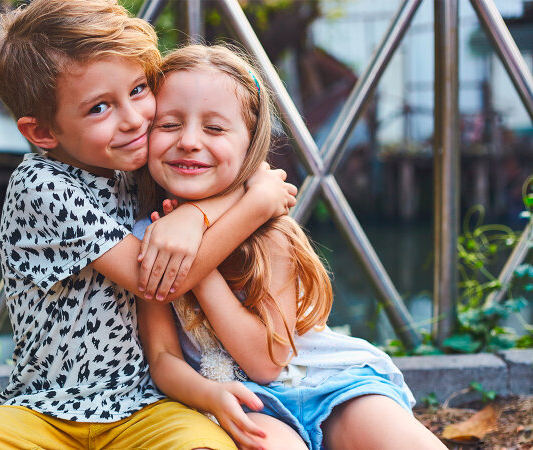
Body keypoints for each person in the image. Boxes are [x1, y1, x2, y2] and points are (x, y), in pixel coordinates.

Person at [0, 2, 298, 449]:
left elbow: (217, 175)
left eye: (139, 89)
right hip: (45, 409)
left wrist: (216, 205)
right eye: (100, 107)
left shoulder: (132, 170)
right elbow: (151, 279)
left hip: (146, 405)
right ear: (43, 132)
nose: (135, 118)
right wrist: (252, 203)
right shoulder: (41, 185)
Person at [133, 44, 446, 450]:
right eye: (169, 124)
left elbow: (266, 361)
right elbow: (163, 359)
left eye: (214, 128)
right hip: (236, 402)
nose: (190, 141)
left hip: (325, 383)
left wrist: (200, 260)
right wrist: (207, 395)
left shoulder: (269, 232)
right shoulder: (148, 235)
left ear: (250, 145)